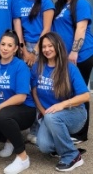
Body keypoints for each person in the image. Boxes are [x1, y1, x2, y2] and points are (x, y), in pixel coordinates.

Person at [0, 30, 36, 174]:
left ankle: (22, 157)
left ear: (15, 48)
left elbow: (22, 97)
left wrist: (0, 108)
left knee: (3, 115)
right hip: (3, 111)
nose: (5, 48)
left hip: (24, 109)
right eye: (3, 44)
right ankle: (9, 139)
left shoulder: (20, 66)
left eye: (9, 45)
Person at [31, 32, 90, 172]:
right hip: (50, 114)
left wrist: (61, 105)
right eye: (44, 46)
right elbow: (34, 91)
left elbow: (85, 96)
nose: (47, 49)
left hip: (74, 113)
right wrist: (42, 111)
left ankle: (72, 155)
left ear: (58, 46)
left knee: (52, 117)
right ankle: (64, 143)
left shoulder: (69, 68)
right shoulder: (37, 67)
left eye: (50, 45)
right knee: (44, 146)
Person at [52, 0, 93, 143]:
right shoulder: (62, 6)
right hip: (65, 58)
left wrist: (74, 51)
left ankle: (81, 134)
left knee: (79, 92)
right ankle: (71, 127)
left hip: (80, 56)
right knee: (68, 92)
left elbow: (81, 29)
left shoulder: (81, 3)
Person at [14, 0, 55, 67]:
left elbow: (47, 28)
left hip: (44, 45)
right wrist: (24, 50)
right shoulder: (20, 3)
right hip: (25, 45)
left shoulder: (46, 2)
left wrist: (35, 51)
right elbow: (19, 28)